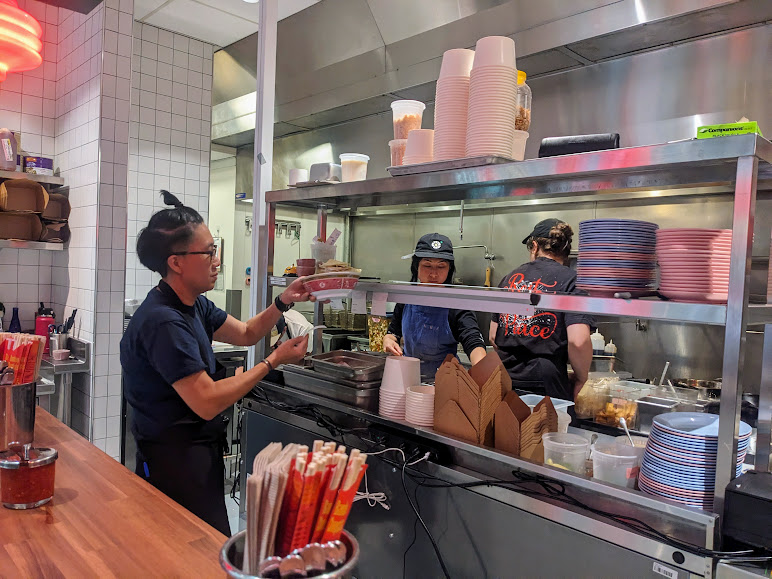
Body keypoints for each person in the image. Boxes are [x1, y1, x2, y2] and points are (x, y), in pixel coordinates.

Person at [120, 191, 313, 536]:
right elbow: (207, 401)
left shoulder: (194, 305)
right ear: (176, 262)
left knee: (205, 547)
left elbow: (248, 333)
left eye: (215, 249)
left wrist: (283, 301)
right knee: (189, 552)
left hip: (198, 455)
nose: (216, 259)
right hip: (173, 462)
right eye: (208, 251)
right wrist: (273, 362)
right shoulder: (164, 321)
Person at [490, 219, 593, 401]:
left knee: (507, 428)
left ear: (535, 246)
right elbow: (578, 341)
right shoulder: (573, 281)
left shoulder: (509, 278)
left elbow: (493, 335)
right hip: (546, 381)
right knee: (549, 429)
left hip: (504, 378)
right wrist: (581, 378)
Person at [384, 233, 487, 378]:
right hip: (407, 377)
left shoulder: (456, 304)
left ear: (449, 269)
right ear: (416, 266)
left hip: (445, 381)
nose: (433, 274)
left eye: (441, 266)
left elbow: (473, 340)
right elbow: (393, 332)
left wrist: (483, 371)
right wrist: (388, 340)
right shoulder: (406, 297)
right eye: (427, 265)